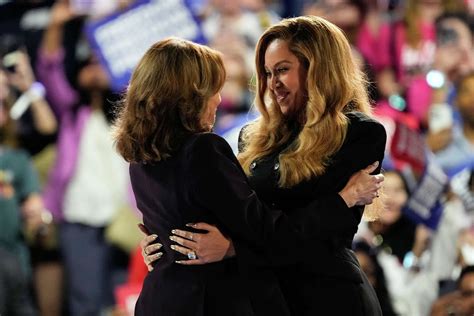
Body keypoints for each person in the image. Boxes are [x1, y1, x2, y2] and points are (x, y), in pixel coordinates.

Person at [114, 30, 384, 315]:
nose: (271, 83)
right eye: (267, 72)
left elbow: (324, 238)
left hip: (326, 299)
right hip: (234, 299)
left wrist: (229, 249)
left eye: (282, 70)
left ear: (319, 70)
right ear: (188, 95)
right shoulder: (242, 139)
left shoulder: (358, 133)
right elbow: (261, 227)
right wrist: (344, 199)